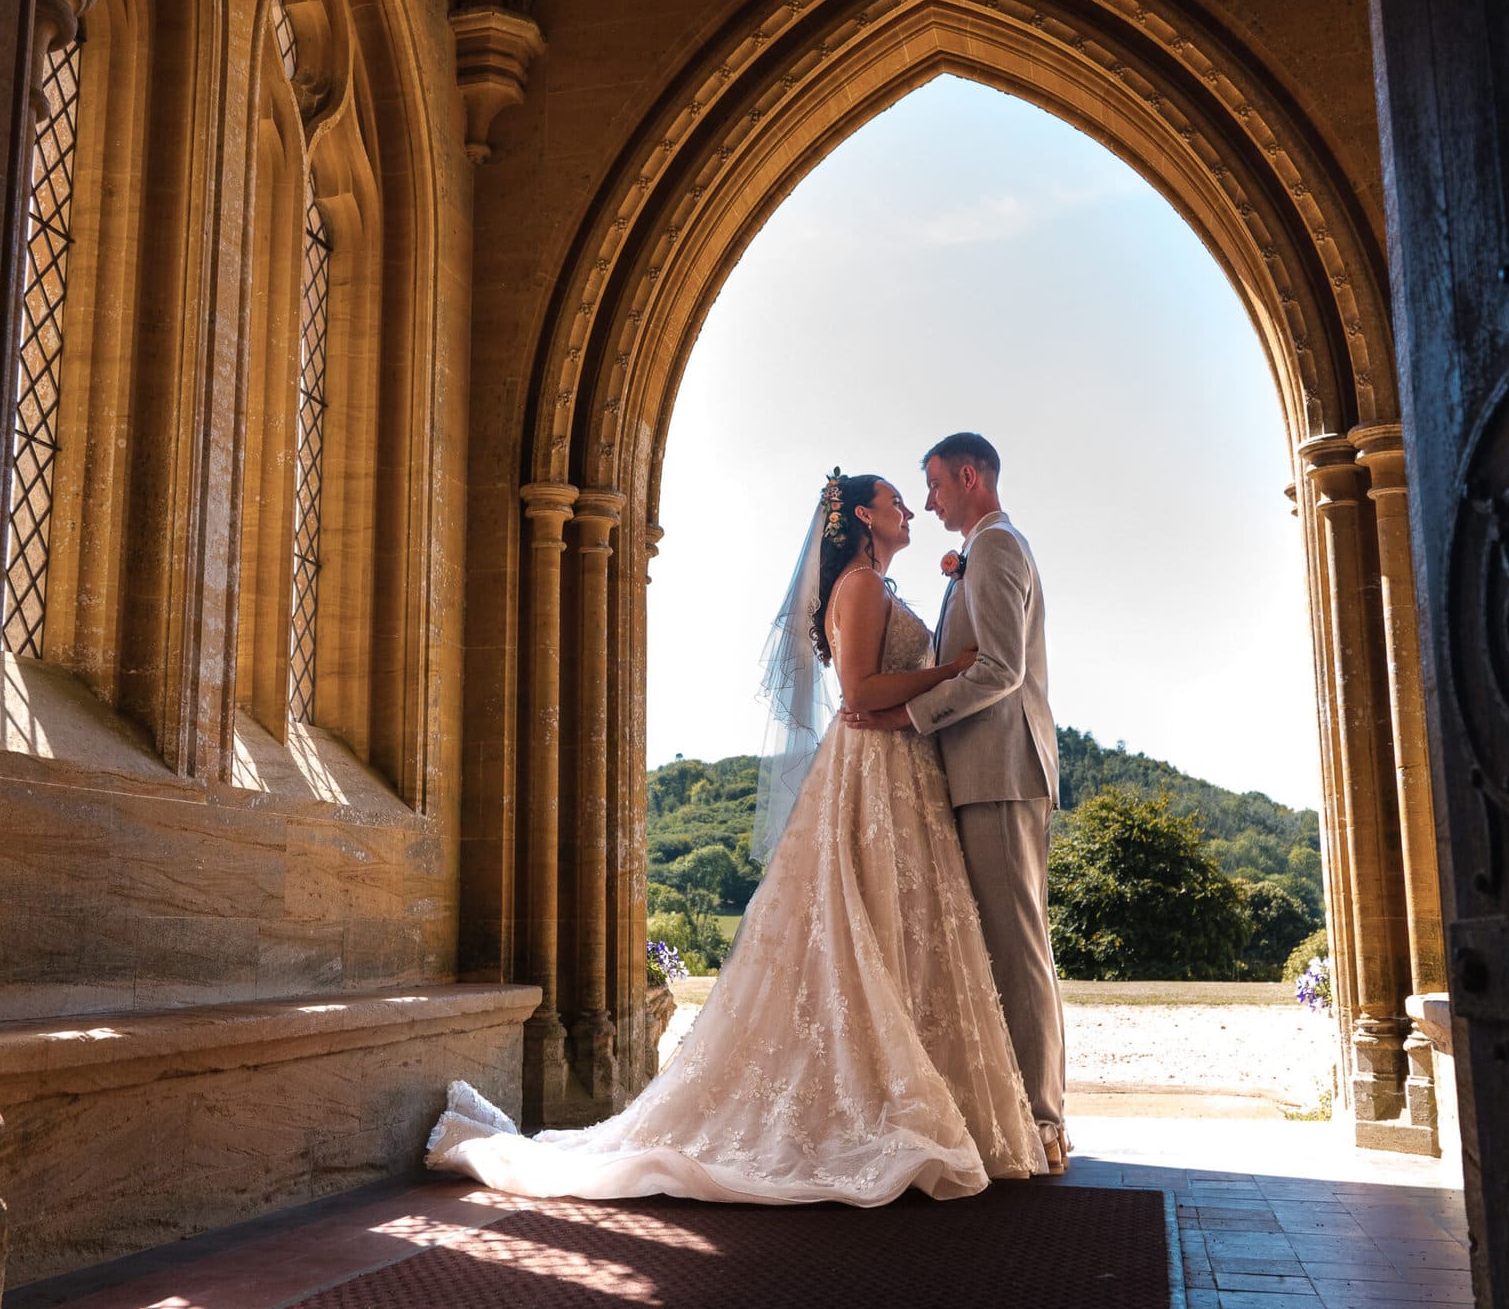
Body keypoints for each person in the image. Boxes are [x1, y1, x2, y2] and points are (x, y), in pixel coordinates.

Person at [425, 470, 1046, 1204]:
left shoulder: (868, 582)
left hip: (899, 768)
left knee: (899, 930)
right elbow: (861, 693)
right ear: (860, 517)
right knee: (871, 926)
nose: (911, 509)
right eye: (896, 502)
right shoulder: (862, 585)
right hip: (876, 764)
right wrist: (953, 668)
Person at [844, 433, 1068, 1174]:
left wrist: (909, 716)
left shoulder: (998, 547)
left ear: (969, 476)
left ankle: (1041, 1120)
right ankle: (1004, 1108)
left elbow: (999, 669)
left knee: (1016, 949)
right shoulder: (976, 551)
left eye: (936, 486)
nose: (929, 501)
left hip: (1000, 773)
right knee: (991, 951)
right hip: (971, 776)